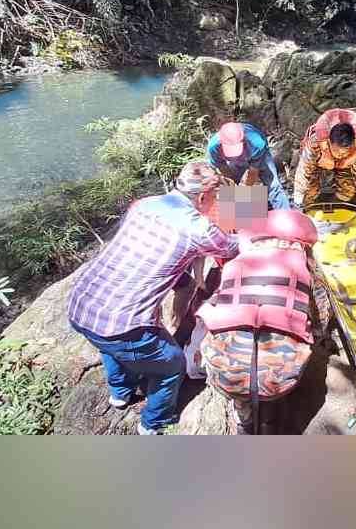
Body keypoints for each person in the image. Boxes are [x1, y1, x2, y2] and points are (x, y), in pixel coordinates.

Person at [66, 160, 239, 435]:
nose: (217, 203)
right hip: (123, 323)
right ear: (204, 197)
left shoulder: (145, 204)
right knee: (172, 365)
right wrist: (254, 238)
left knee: (108, 342)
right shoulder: (198, 227)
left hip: (81, 305)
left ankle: (120, 394)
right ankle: (153, 424)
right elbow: (230, 247)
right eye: (216, 198)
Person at [196, 208, 320, 434]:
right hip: (281, 376)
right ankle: (269, 415)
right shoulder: (301, 270)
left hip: (225, 370)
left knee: (238, 373)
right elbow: (313, 317)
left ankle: (244, 416)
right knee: (274, 373)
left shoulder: (234, 267)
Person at [293, 108, 356, 208]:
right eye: (338, 151)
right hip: (319, 161)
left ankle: (340, 205)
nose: (341, 155)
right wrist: (298, 198)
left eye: (345, 152)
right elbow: (303, 172)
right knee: (308, 195)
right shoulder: (315, 144)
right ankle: (311, 208)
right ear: (329, 142)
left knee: (348, 193)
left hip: (344, 166)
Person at [207, 121, 292, 211]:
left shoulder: (256, 142)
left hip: (259, 156)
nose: (235, 155)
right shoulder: (213, 148)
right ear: (221, 143)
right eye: (230, 151)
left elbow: (253, 173)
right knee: (229, 191)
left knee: (273, 186)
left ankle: (285, 216)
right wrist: (233, 187)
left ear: (243, 140)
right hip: (236, 163)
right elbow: (222, 168)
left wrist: (244, 193)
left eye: (236, 150)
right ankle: (239, 218)